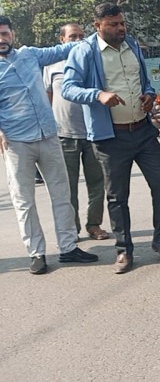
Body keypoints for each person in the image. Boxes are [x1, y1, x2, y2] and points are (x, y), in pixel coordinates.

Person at [63, 3, 160, 274]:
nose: (120, 28)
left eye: (122, 23)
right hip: (111, 137)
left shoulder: (132, 45)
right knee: (117, 196)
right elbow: (68, 87)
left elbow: (143, 80)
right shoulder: (84, 51)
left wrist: (148, 94)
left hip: (143, 131)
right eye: (113, 24)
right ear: (97, 25)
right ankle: (124, 250)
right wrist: (98, 95)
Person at [0, 15, 98, 274]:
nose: (2, 39)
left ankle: (68, 247)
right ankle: (37, 253)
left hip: (48, 135)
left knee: (62, 194)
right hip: (16, 142)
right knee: (24, 200)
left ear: (12, 34)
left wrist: (98, 32)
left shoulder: (29, 55)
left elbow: (64, 49)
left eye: (5, 33)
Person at [43, 23, 108, 240]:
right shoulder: (52, 65)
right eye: (73, 37)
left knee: (97, 183)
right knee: (68, 187)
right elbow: (48, 99)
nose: (79, 40)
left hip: (93, 133)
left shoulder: (92, 59)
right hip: (64, 135)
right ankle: (73, 228)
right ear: (62, 40)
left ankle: (94, 224)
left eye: (82, 36)